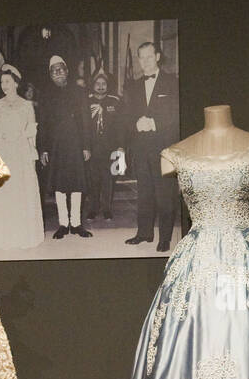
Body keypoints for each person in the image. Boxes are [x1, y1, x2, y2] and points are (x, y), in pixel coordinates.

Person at [0, 64, 44, 250]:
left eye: (7, 81)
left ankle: (23, 235)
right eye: (1, 82)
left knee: (21, 189)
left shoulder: (26, 105)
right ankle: (2, 235)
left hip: (21, 152)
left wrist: (22, 140)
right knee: (4, 191)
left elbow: (32, 130)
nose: (4, 85)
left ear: (16, 83)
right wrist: (3, 136)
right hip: (4, 151)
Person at [123, 42, 180, 251]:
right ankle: (144, 233)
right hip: (140, 148)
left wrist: (155, 123)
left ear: (157, 56)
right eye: (141, 58)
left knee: (165, 194)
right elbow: (125, 116)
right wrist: (135, 124)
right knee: (144, 193)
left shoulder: (172, 82)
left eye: (148, 57)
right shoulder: (133, 86)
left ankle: (164, 238)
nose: (144, 62)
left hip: (164, 148)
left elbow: (177, 114)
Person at [36, 55, 92, 238]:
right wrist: (43, 148)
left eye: (61, 69)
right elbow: (43, 123)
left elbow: (85, 120)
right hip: (55, 146)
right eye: (54, 71)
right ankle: (63, 224)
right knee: (59, 185)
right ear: (50, 74)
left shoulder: (79, 91)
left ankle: (76, 224)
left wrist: (86, 146)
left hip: (76, 143)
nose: (58, 73)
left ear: (67, 71)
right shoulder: (45, 94)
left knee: (77, 183)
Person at [85, 71, 122, 221]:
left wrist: (120, 145)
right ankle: (93, 208)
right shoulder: (86, 102)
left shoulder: (115, 102)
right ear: (93, 85)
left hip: (109, 147)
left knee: (108, 179)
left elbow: (120, 126)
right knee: (92, 179)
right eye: (98, 84)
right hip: (92, 147)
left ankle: (107, 209)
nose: (100, 87)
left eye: (103, 84)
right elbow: (84, 126)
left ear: (108, 86)